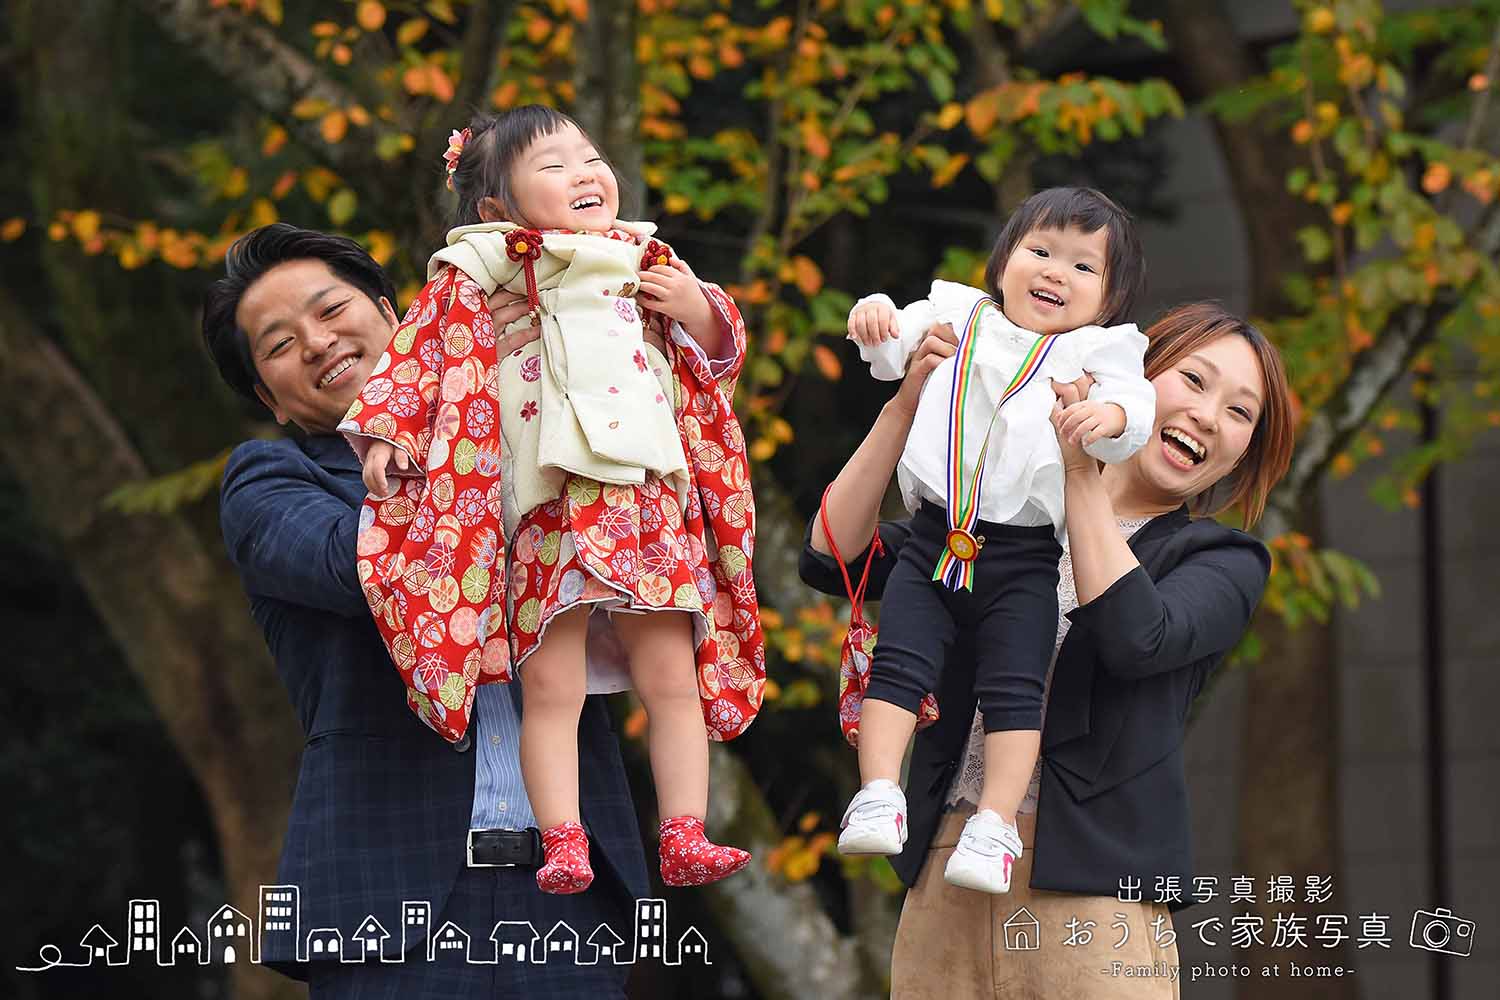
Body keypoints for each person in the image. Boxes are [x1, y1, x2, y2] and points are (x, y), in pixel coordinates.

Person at [802, 301, 1295, 998]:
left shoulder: (1222, 560)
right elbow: (832, 558)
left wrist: (1081, 473)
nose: (1210, 417)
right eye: (1194, 381)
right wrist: (904, 407)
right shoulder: (1002, 519)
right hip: (948, 868)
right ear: (1137, 372)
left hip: (1095, 905)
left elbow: (1133, 636)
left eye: (1241, 413)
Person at [205, 223, 648, 997]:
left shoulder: (532, 424)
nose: (317, 342)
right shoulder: (267, 481)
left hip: (569, 892)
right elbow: (375, 571)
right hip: (388, 903)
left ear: (392, 313)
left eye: (331, 308)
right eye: (278, 345)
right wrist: (467, 416)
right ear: (269, 400)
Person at [339, 104, 759, 894]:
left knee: (672, 675)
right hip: (547, 512)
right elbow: (420, 360)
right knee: (550, 685)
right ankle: (562, 836)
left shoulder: (644, 257)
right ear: (497, 210)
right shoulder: (481, 269)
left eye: (590, 156)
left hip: (644, 502)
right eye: (554, 166)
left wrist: (696, 307)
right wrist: (395, 435)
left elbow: (716, 349)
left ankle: (685, 830)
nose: (585, 174)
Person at [836, 188, 1156, 895]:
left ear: (1109, 299)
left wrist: (1103, 413)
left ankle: (995, 824)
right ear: (1003, 260)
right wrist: (873, 319)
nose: (1053, 273)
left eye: (1082, 267)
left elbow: (1137, 410)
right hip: (933, 537)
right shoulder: (956, 313)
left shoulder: (1097, 352)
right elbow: (888, 348)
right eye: (1039, 252)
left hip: (1024, 555)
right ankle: (880, 791)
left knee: (1014, 689)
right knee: (898, 663)